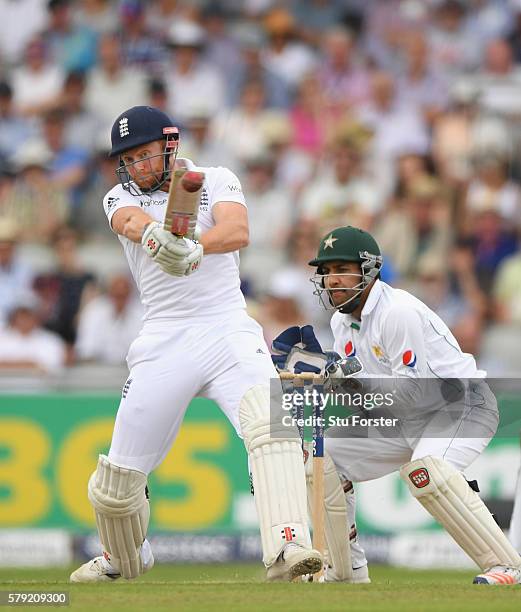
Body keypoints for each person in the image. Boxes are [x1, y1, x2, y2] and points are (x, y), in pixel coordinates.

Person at [70, 105, 321, 583]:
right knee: (115, 487)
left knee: (273, 432)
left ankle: (290, 547)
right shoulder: (117, 196)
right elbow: (128, 222)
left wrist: (196, 246)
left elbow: (238, 230)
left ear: (169, 148)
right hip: (164, 338)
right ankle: (124, 560)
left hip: (227, 327)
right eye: (129, 159)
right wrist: (157, 238)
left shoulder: (215, 178)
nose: (138, 167)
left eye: (145, 155)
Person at [272, 225, 521, 585]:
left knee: (427, 471)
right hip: (400, 419)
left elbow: (413, 394)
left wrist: (344, 376)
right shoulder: (341, 323)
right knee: (321, 460)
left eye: (342, 269)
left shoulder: (397, 312)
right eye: (326, 272)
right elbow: (366, 401)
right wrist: (327, 382)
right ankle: (346, 572)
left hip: (460, 407)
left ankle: (507, 566)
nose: (332, 280)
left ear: (369, 269)